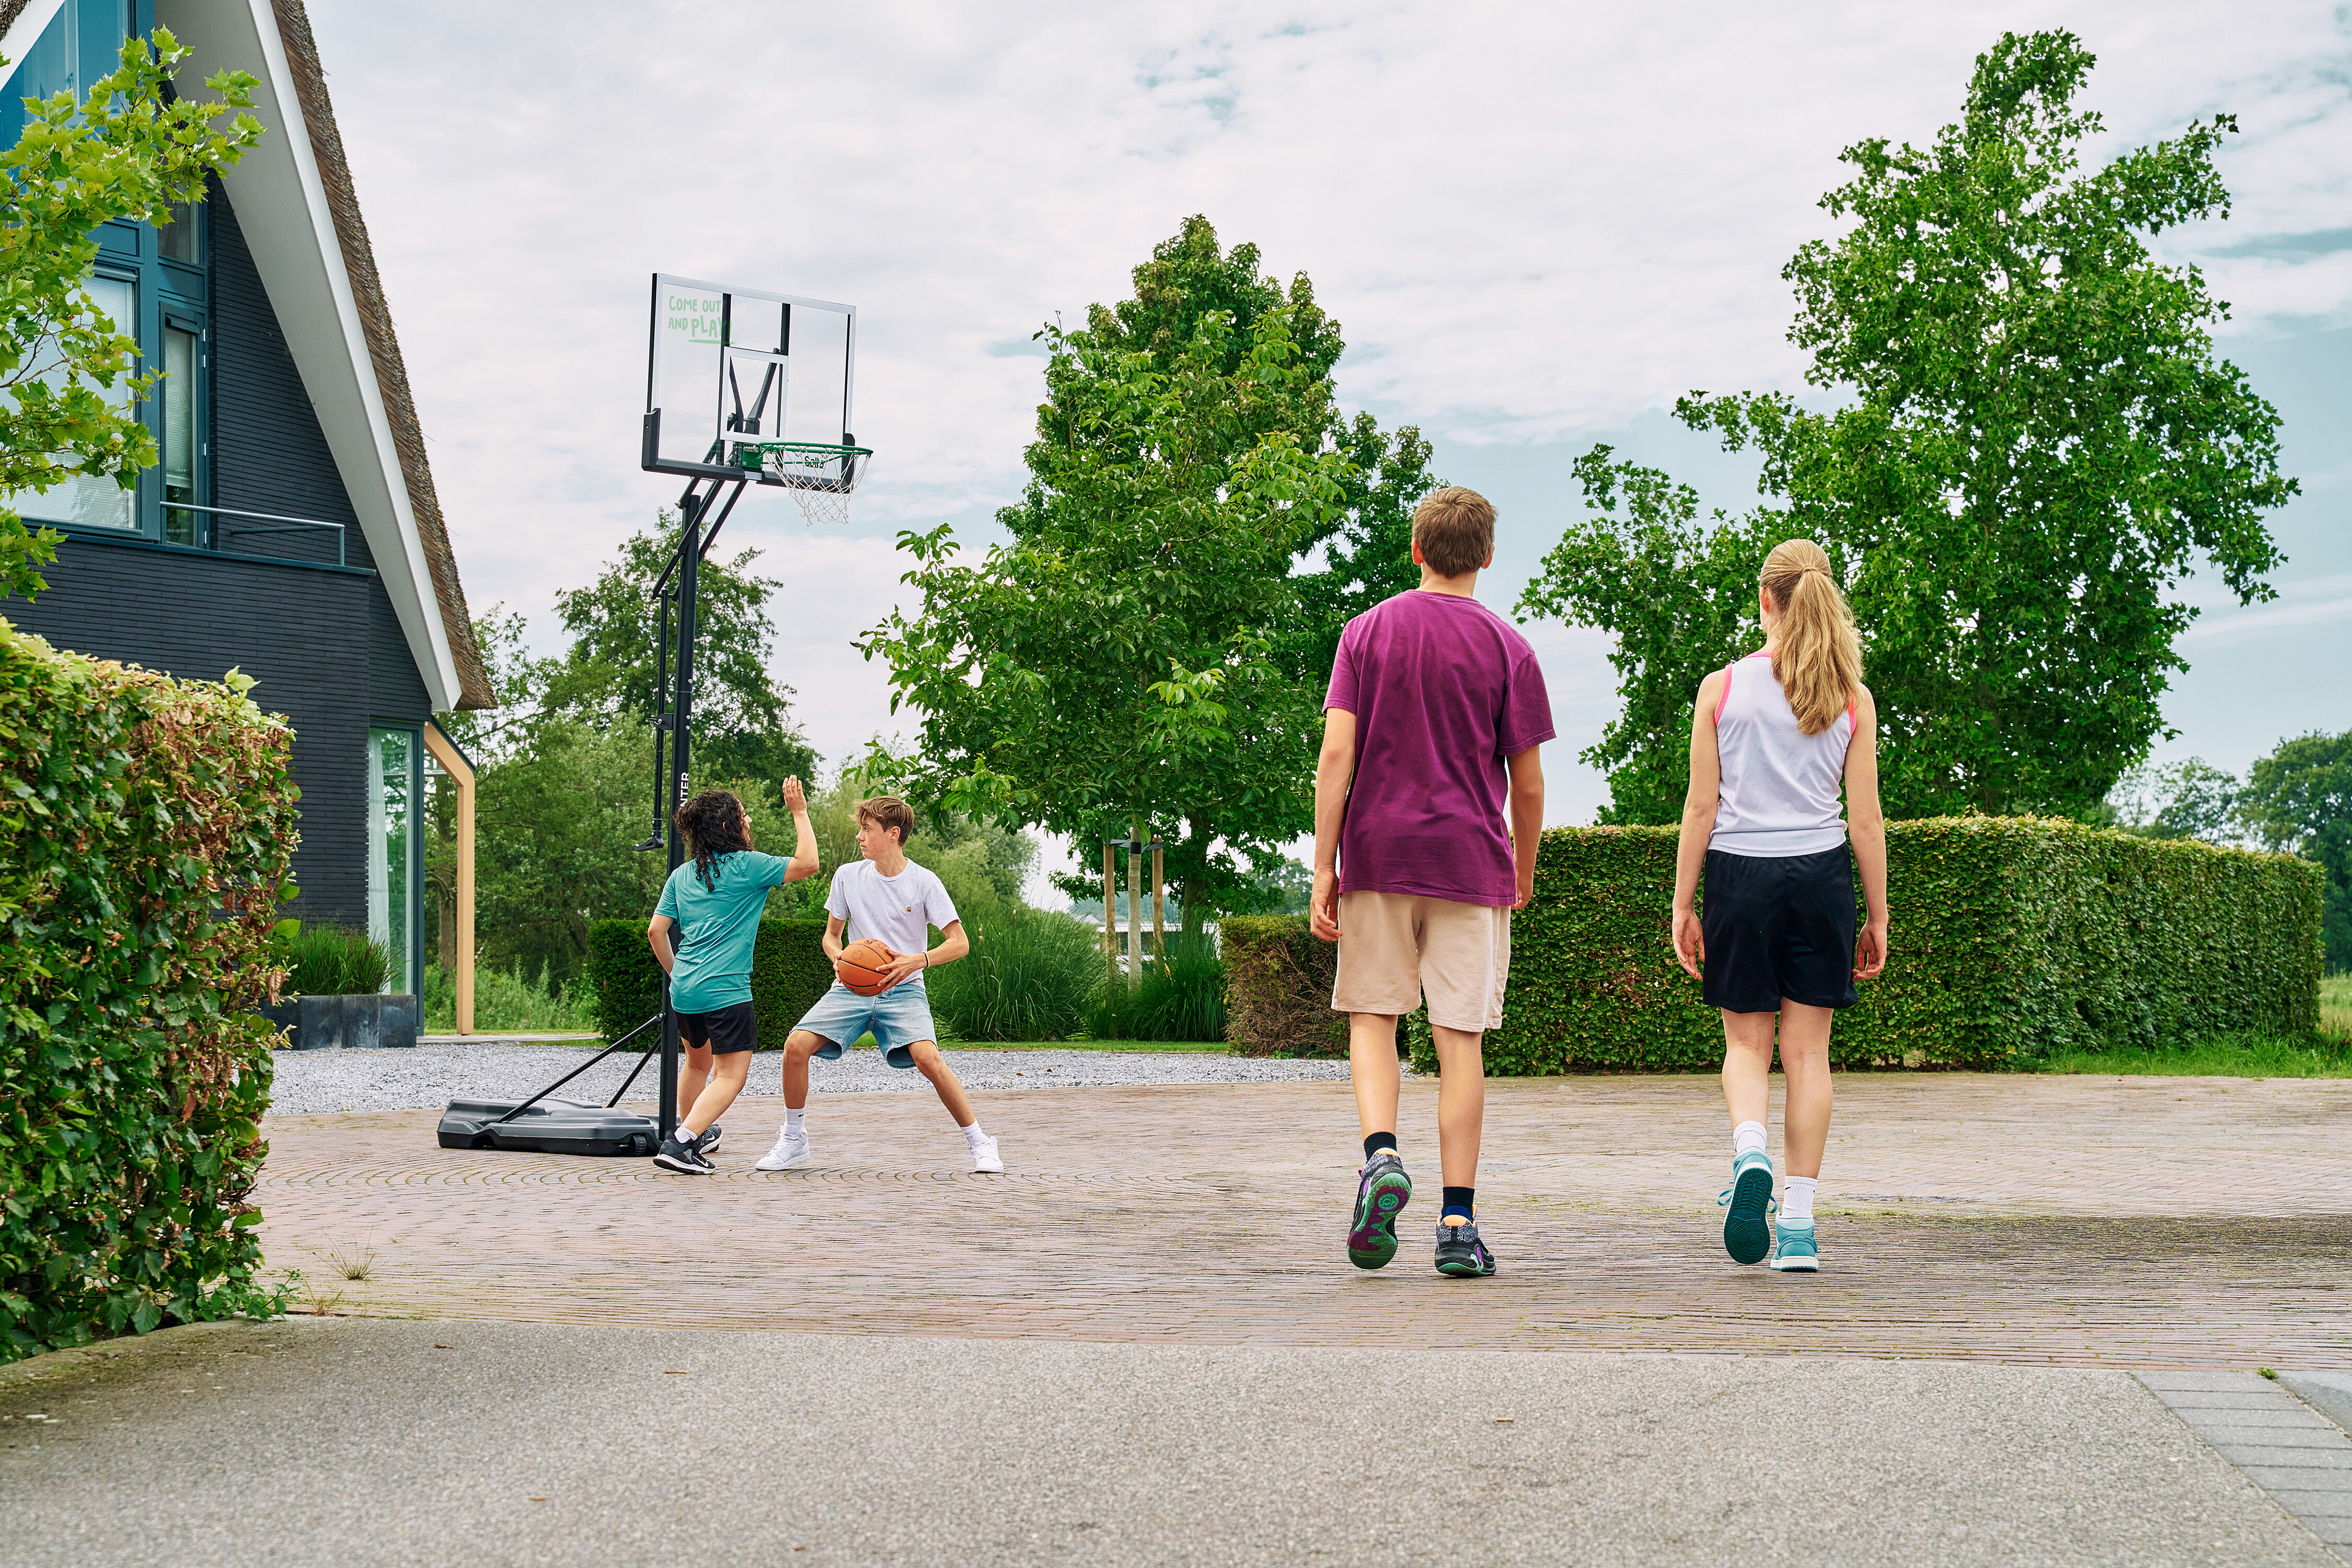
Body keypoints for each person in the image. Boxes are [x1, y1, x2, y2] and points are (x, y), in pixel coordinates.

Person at [1311, 487, 1551, 1278]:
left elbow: (1337, 759)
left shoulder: (1364, 634)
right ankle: (1457, 1224)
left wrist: (1324, 864)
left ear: (1415, 549)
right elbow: (1529, 783)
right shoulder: (1509, 648)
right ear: (1487, 556)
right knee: (1460, 1043)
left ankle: (1381, 1157)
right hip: (1469, 862)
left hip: (1379, 857)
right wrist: (1521, 870)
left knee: (1373, 1019)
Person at [1671, 539, 1889, 1272]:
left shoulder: (1722, 688)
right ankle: (1796, 1226)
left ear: (1766, 598)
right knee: (1809, 1055)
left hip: (1740, 875)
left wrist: (1683, 905)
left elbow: (1701, 808)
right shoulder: (1852, 697)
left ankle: (1749, 1152)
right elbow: (1865, 821)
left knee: (1746, 1047)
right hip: (1821, 877)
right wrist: (1878, 916)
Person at [754, 795, 1002, 1175]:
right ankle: (793, 1141)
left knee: (929, 1059)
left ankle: (980, 1142)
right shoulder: (847, 876)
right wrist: (838, 958)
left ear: (893, 834)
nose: (859, 836)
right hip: (850, 989)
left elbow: (960, 943)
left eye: (867, 829)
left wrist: (916, 960)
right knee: (794, 1047)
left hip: (905, 989)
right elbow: (831, 937)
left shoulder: (924, 882)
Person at [647, 780, 821, 1174]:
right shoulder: (749, 866)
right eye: (743, 815)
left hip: (686, 989)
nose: (749, 820)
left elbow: (656, 932)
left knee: (696, 1065)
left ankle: (691, 1133)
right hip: (725, 989)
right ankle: (681, 1144)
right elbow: (809, 863)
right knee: (730, 1076)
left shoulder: (682, 875)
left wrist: (678, 976)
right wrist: (798, 812)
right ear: (728, 827)